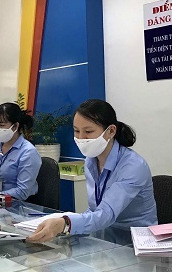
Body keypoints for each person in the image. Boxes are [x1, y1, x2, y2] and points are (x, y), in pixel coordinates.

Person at [27, 99, 157, 243]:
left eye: (88, 131)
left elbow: (106, 214)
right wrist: (67, 222)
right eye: (76, 131)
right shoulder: (91, 161)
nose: (81, 138)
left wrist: (66, 224)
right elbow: (95, 209)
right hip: (104, 237)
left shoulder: (133, 166)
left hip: (135, 243)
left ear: (111, 131)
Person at [0, 102, 42, 201]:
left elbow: (22, 192)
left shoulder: (28, 152)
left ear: (15, 126)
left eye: (1, 125)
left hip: (19, 203)